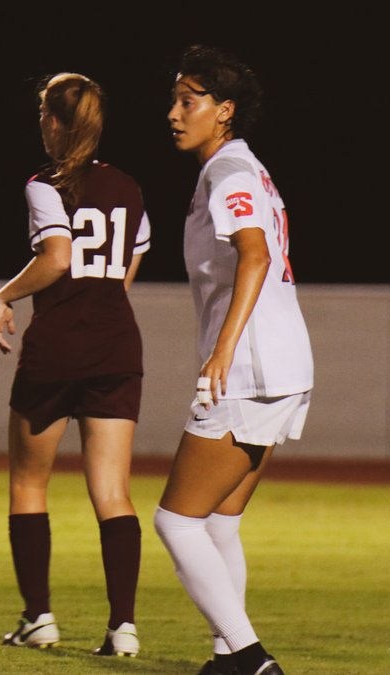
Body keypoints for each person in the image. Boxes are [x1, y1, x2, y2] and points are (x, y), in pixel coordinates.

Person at [154, 46, 311, 675]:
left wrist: (221, 351)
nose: (173, 113)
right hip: (283, 365)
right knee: (219, 521)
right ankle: (228, 657)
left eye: (188, 101)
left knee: (175, 522)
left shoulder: (230, 173)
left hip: (249, 369)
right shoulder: (243, 168)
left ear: (225, 112)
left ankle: (247, 658)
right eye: (173, 99)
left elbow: (255, 255)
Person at [0, 73, 150, 656]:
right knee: (113, 491)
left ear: (56, 122)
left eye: (43, 115)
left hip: (58, 349)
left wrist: (5, 295)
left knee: (29, 483)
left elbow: (57, 259)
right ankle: (123, 627)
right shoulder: (130, 187)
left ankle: (39, 618)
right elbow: (127, 270)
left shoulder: (44, 185)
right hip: (116, 347)